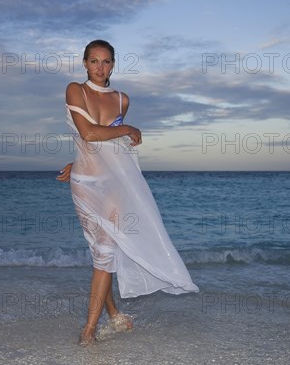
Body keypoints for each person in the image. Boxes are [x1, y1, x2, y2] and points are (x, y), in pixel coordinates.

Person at [57, 40, 198, 346]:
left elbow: (112, 148)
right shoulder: (74, 90)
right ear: (84, 63)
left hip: (117, 183)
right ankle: (97, 325)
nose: (100, 68)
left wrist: (83, 154)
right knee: (103, 252)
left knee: (105, 252)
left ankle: (95, 326)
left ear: (114, 64)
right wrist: (123, 130)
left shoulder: (122, 99)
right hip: (86, 185)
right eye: (94, 61)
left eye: (106, 62)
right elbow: (90, 133)